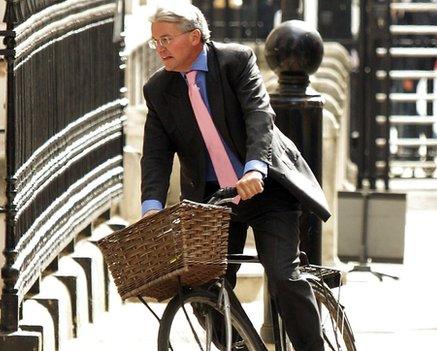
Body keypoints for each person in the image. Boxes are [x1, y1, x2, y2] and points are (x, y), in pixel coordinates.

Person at [140, 4, 331, 350]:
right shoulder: (158, 89)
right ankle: (243, 346)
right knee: (203, 289)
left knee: (283, 276)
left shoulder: (234, 61)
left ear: (194, 37)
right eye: (156, 41)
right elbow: (155, 153)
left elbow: (259, 116)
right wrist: (151, 206)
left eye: (166, 39)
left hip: (265, 187)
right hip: (214, 200)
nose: (160, 48)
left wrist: (255, 168)